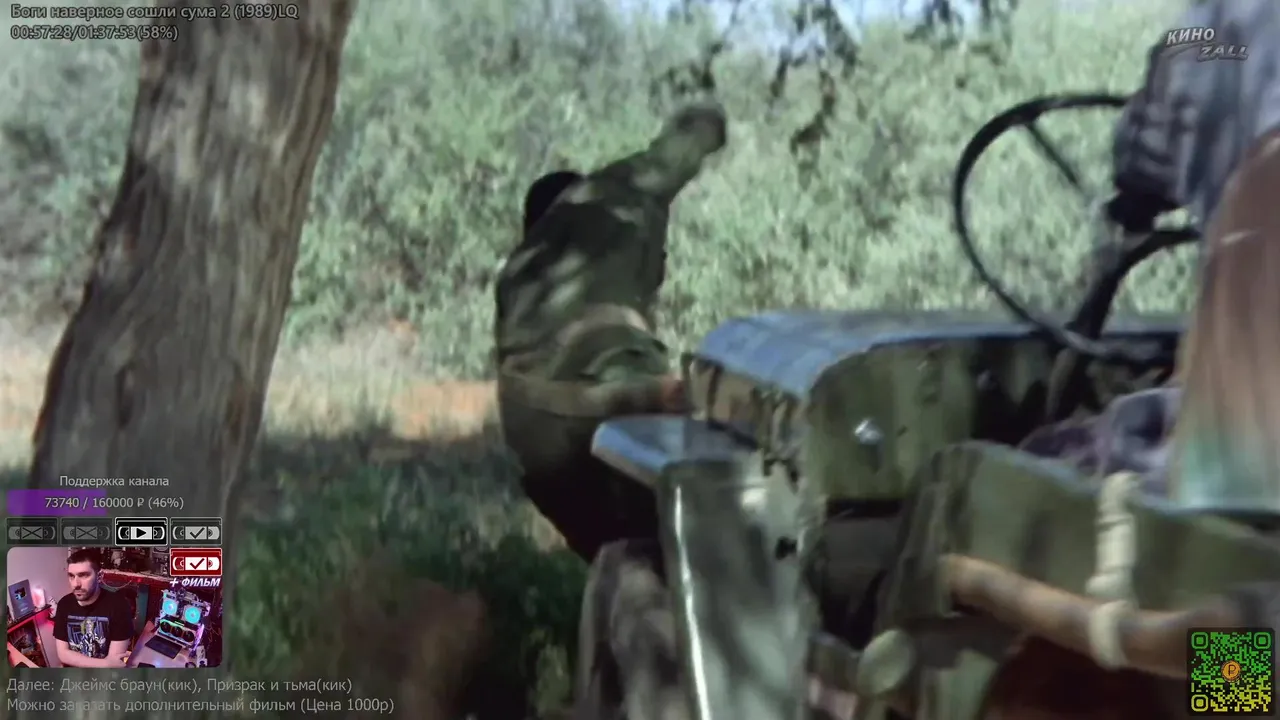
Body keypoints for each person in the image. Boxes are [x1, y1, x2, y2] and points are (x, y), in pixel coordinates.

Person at [494, 100, 728, 563]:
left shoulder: (519, 279)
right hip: (602, 411)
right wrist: (707, 124)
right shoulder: (602, 217)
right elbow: (665, 161)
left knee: (617, 550)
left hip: (539, 452)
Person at [52, 549, 134, 668]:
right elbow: (63, 654)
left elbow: (115, 663)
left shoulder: (119, 606)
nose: (75, 584)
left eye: (83, 575)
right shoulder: (64, 604)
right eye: (71, 576)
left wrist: (107, 664)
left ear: (99, 576)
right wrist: (105, 663)